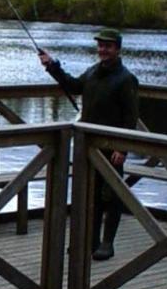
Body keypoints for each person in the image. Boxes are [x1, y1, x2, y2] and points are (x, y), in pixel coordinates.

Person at [38, 28, 139, 260]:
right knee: (91, 195)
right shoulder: (93, 72)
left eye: (108, 46)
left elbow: (130, 118)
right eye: (100, 45)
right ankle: (90, 241)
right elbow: (73, 86)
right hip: (89, 145)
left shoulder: (126, 79)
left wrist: (122, 148)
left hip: (112, 148)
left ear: (118, 49)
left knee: (112, 194)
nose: (103, 50)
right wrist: (52, 66)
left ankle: (107, 243)